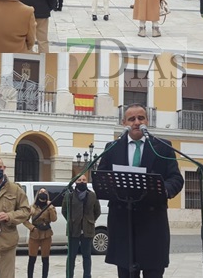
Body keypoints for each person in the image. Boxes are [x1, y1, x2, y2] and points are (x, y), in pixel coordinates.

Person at [97, 104, 185, 278]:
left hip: (152, 223)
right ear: (124, 123)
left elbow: (176, 178)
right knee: (126, 272)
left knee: (153, 273)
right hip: (123, 223)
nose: (137, 122)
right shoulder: (112, 147)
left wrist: (164, 189)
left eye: (141, 118)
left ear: (147, 120)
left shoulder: (163, 147)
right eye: (132, 119)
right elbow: (100, 177)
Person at [62, 175, 101, 278]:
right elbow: (64, 211)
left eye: (84, 180)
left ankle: (87, 276)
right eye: (79, 180)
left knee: (87, 256)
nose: (82, 182)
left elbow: (97, 211)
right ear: (75, 182)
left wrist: (90, 221)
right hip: (73, 229)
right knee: (71, 256)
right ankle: (69, 275)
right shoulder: (69, 195)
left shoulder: (92, 195)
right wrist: (71, 221)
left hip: (87, 230)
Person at [23, 188, 56, 278]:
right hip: (35, 234)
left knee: (45, 259)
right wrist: (32, 228)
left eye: (45, 192)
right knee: (32, 258)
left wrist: (51, 208)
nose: (43, 193)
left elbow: (54, 219)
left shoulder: (50, 206)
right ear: (37, 194)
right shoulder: (32, 207)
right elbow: (25, 221)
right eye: (41, 192)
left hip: (46, 234)